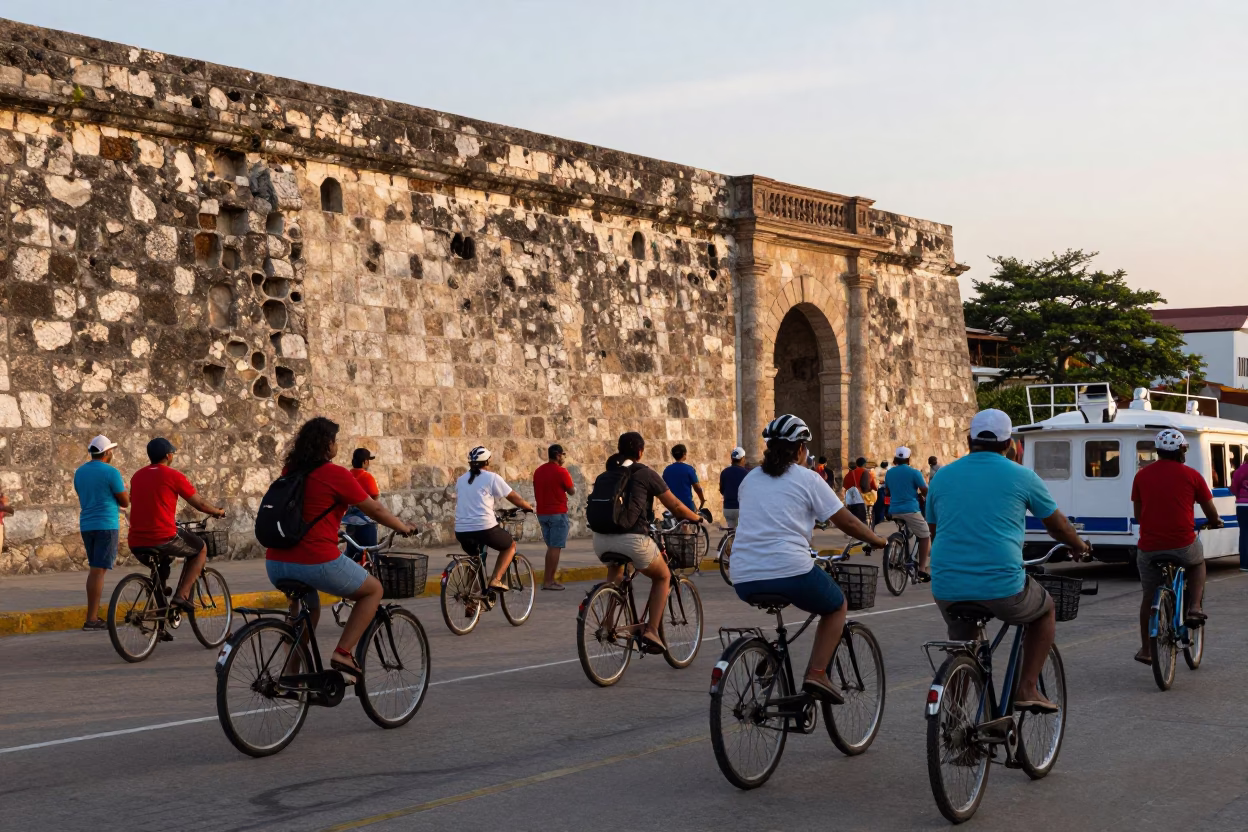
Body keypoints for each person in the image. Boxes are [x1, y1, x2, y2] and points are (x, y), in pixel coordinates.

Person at [927, 409, 1089, 712]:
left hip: (947, 585)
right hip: (1002, 586)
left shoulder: (942, 476)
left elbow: (936, 531)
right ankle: (1026, 688)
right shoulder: (1023, 476)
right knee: (1044, 611)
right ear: (1010, 444)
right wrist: (1079, 546)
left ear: (969, 439)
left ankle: (954, 718)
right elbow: (1057, 526)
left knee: (963, 644)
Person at [730, 415, 888, 702]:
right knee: (836, 605)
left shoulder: (750, 479)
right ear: (801, 449)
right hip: (790, 569)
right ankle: (817, 673)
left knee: (788, 595)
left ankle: (773, 656)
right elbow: (848, 523)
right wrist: (877, 539)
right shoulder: (809, 478)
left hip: (743, 575)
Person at [265, 418, 417, 680]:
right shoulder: (335, 474)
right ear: (327, 445)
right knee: (373, 590)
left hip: (276, 562)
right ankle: (344, 653)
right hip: (313, 561)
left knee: (308, 612)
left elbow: (302, 512)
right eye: (334, 440)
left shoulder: (290, 471)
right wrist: (402, 526)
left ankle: (290, 676)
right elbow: (375, 509)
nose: (337, 445)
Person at [592, 431, 703, 654]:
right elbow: (676, 507)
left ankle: (608, 622)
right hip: (632, 539)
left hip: (601, 539)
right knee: (663, 576)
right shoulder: (645, 473)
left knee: (617, 571)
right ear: (640, 452)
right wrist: (697, 517)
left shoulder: (610, 472)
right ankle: (651, 630)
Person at [1130, 429, 1222, 665]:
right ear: (1181, 451)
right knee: (1197, 562)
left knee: (1148, 597)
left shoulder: (1141, 476)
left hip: (1149, 546)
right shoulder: (1192, 475)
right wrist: (1214, 521)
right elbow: (1210, 510)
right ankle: (1193, 607)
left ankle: (1146, 650)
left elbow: (1138, 515)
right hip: (1182, 543)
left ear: (1158, 452)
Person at [128, 438, 226, 617]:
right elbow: (200, 504)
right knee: (200, 549)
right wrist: (217, 511)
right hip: (163, 536)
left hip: (135, 540)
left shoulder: (137, 476)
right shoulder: (173, 476)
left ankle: (159, 610)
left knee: (162, 562)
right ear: (168, 455)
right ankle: (182, 595)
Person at [455, 446, 535, 595]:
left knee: (475, 560)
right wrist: (528, 507)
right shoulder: (492, 477)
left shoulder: (461, 480)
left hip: (461, 530)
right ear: (487, 462)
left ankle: (472, 598)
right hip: (484, 528)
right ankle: (496, 579)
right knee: (510, 546)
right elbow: (513, 497)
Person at [73, 435, 128, 630]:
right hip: (106, 523)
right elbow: (124, 501)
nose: (112, 453)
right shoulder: (111, 472)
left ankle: (92, 617)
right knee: (98, 571)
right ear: (106, 453)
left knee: (96, 569)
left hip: (87, 524)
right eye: (111, 450)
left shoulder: (79, 472)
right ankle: (92, 619)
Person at [884, 446, 931, 581]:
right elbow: (924, 490)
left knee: (906, 532)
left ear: (895, 459)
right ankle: (922, 569)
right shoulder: (914, 472)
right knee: (925, 535)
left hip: (894, 510)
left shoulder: (889, 473)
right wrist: (923, 496)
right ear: (908, 459)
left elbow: (887, 492)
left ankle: (900, 547)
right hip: (910, 509)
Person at [533, 443, 575, 590]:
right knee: (555, 548)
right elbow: (571, 491)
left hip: (542, 513)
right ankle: (548, 581)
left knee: (551, 548)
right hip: (557, 513)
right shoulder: (561, 472)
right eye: (563, 455)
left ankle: (548, 579)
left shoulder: (538, 471)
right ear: (558, 455)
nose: (564, 457)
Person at [342, 448, 380, 550]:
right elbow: (375, 496)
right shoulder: (368, 477)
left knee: (352, 549)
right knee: (370, 550)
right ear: (365, 462)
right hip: (365, 520)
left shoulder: (347, 475)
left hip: (349, 520)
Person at [662, 444, 704, 513]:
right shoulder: (689, 469)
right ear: (684, 454)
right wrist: (702, 500)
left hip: (671, 506)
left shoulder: (666, 470)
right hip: (687, 505)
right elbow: (697, 488)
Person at [718, 447, 748, 527]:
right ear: (742, 459)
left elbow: (721, 490)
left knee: (731, 531)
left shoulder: (724, 472)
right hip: (740, 509)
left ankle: (729, 538)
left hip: (728, 508)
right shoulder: (746, 473)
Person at [1232, 455, 1248, 572]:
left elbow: (1233, 488)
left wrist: (1239, 495)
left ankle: (1244, 564)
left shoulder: (1239, 471)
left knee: (1244, 534)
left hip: (1242, 505)